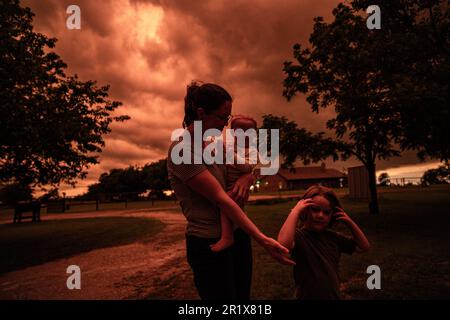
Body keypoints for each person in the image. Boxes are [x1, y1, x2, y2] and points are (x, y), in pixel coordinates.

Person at [167, 82, 294, 300]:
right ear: (201, 113)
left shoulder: (214, 145)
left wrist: (249, 176)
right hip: (209, 243)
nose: (226, 124)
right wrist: (262, 239)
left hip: (238, 235)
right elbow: (221, 199)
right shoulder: (183, 150)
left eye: (228, 117)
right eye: (221, 118)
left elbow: (244, 166)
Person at [278, 185, 370, 299]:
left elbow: (363, 246)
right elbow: (283, 244)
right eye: (315, 210)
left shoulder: (334, 238)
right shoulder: (299, 236)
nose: (321, 215)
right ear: (305, 210)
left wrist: (350, 223)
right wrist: (295, 212)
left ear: (333, 215)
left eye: (326, 212)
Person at [210, 115, 259, 252]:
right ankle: (232, 233)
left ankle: (227, 236)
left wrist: (230, 154)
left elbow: (247, 168)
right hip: (228, 185)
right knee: (233, 210)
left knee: (226, 204)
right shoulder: (229, 147)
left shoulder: (252, 151)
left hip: (236, 189)